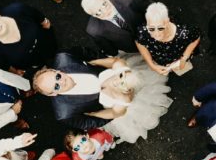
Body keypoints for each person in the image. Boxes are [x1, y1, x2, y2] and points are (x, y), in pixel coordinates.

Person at [35, 54, 173, 144]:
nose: (62, 81)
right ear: (52, 94)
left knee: (138, 81)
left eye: (57, 77)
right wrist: (117, 108)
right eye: (56, 86)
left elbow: (92, 57)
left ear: (56, 70)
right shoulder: (64, 114)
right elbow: (91, 122)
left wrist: (104, 63)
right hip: (111, 106)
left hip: (114, 76)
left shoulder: (64, 57)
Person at [0, 3, 57, 72]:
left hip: (46, 41)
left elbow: (37, 15)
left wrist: (46, 23)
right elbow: (5, 66)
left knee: (54, 51)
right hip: (33, 62)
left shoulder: (17, 10)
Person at [135, 2, 201, 76]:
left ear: (167, 21)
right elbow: (139, 42)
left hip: (178, 57)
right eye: (151, 28)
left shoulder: (184, 32)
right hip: (160, 60)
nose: (156, 34)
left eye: (160, 28)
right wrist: (151, 65)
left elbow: (196, 37)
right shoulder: (143, 31)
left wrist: (184, 57)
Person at [81, 0, 149, 53]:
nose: (105, 11)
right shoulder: (95, 31)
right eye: (98, 13)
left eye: (104, 4)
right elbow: (110, 50)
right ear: (93, 15)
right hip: (133, 49)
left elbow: (149, 8)